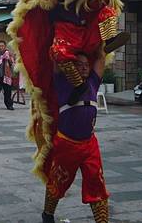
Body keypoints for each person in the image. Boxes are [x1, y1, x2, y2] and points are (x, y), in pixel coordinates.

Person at [42, 49, 109, 223]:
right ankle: (48, 214)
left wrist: (98, 40)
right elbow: (57, 58)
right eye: (79, 65)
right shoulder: (62, 82)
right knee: (58, 181)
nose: (84, 68)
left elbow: (101, 56)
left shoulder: (93, 82)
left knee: (97, 183)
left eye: (86, 65)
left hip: (89, 144)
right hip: (66, 144)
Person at [0, 40, 15, 111]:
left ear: (5, 46)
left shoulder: (9, 54)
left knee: (7, 92)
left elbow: (12, 63)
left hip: (6, 76)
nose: (0, 47)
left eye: (2, 46)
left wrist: (8, 59)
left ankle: (9, 105)